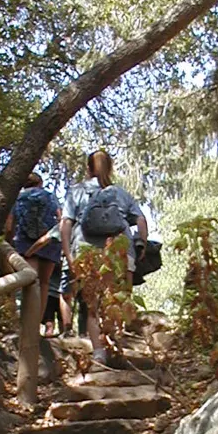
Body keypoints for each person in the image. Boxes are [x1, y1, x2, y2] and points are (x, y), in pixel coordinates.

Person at [60, 149, 147, 365]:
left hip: (87, 251)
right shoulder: (121, 193)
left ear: (88, 168)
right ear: (110, 167)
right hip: (119, 250)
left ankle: (99, 353)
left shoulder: (76, 191)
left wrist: (69, 255)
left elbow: (66, 224)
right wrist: (142, 244)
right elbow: (141, 220)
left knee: (92, 305)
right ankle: (116, 346)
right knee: (119, 301)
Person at [6, 174, 62, 337]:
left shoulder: (18, 198)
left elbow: (10, 224)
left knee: (30, 283)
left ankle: (24, 324)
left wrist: (9, 243)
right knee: (44, 283)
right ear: (40, 183)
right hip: (50, 243)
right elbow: (60, 218)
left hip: (26, 242)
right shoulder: (50, 196)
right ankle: (35, 325)